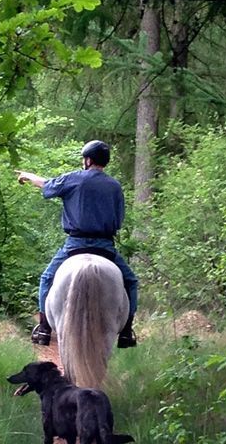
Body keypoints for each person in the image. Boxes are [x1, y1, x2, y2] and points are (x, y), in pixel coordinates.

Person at [16, 140, 138, 348]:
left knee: (47, 278)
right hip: (105, 246)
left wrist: (27, 175)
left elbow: (47, 185)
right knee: (131, 281)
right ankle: (126, 331)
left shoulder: (74, 179)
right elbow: (118, 220)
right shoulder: (115, 186)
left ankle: (44, 328)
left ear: (88, 160)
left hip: (75, 245)